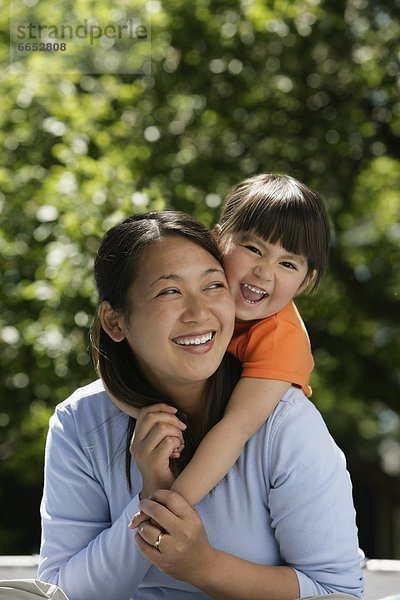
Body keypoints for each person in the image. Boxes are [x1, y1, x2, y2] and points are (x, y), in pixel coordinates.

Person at [38, 210, 363, 599]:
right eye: (169, 291)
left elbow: (338, 593)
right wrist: (151, 494)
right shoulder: (80, 421)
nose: (199, 313)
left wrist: (203, 565)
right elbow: (57, 593)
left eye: (213, 286)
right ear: (115, 322)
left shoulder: (284, 423)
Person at [132, 173, 330, 516]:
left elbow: (236, 429)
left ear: (305, 281)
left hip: (254, 465)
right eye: (253, 249)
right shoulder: (194, 296)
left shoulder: (281, 338)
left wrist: (172, 507)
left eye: (287, 264)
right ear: (218, 238)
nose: (263, 272)